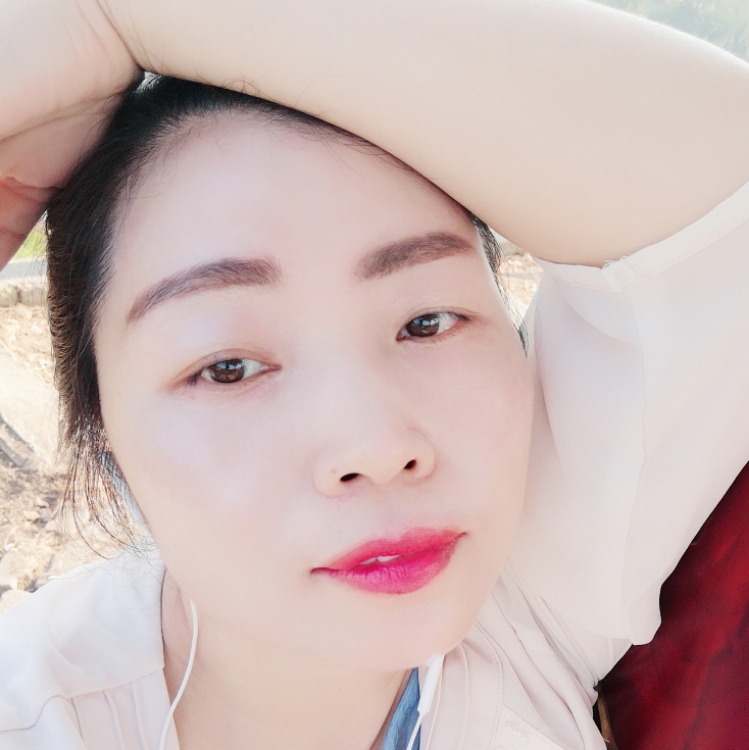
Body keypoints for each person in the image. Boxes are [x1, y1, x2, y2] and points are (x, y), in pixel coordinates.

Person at [1, 1, 748, 749]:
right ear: (102, 424)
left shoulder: (523, 593)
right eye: (229, 368)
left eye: (426, 322)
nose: (378, 448)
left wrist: (110, 17)